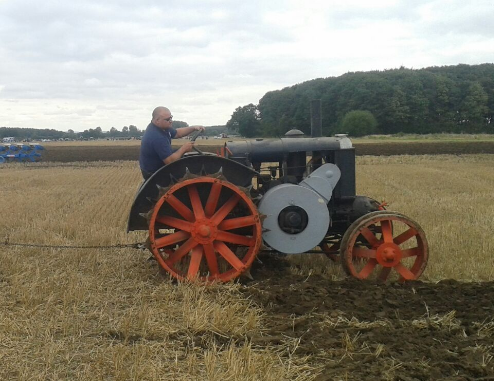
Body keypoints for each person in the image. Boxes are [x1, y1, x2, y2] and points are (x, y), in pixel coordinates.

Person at [139, 106, 205, 180]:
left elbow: (177, 133)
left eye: (171, 118)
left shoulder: (161, 127)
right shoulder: (156, 137)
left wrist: (193, 128)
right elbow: (170, 161)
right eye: (168, 119)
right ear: (157, 120)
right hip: (155, 173)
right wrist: (184, 149)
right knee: (193, 171)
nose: (171, 121)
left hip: (159, 164)